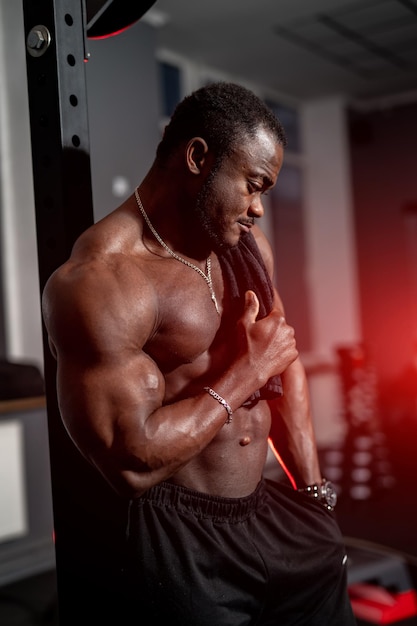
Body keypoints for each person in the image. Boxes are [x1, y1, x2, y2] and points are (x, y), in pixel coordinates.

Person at [42, 82, 356, 625]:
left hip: (269, 507)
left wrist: (314, 496)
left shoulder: (241, 247)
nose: (259, 208)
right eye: (253, 185)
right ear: (197, 157)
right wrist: (245, 373)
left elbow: (282, 356)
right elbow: (131, 463)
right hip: (181, 538)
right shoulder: (104, 282)